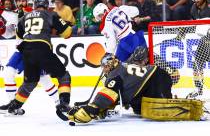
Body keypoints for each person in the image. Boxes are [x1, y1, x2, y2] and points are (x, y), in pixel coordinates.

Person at [64, 48, 203, 123]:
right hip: (150, 83)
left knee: (163, 106)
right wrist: (102, 109)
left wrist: (89, 110)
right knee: (139, 108)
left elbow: (106, 96)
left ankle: (197, 108)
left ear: (110, 64)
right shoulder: (120, 68)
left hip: (156, 79)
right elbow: (117, 97)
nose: (104, 70)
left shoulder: (115, 75)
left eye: (105, 67)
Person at [5, 0, 72, 116]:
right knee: (64, 76)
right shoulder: (51, 14)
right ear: (47, 5)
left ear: (35, 5)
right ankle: (64, 103)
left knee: (30, 82)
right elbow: (67, 33)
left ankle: (14, 105)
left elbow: (19, 35)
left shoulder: (24, 17)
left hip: (26, 51)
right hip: (42, 48)